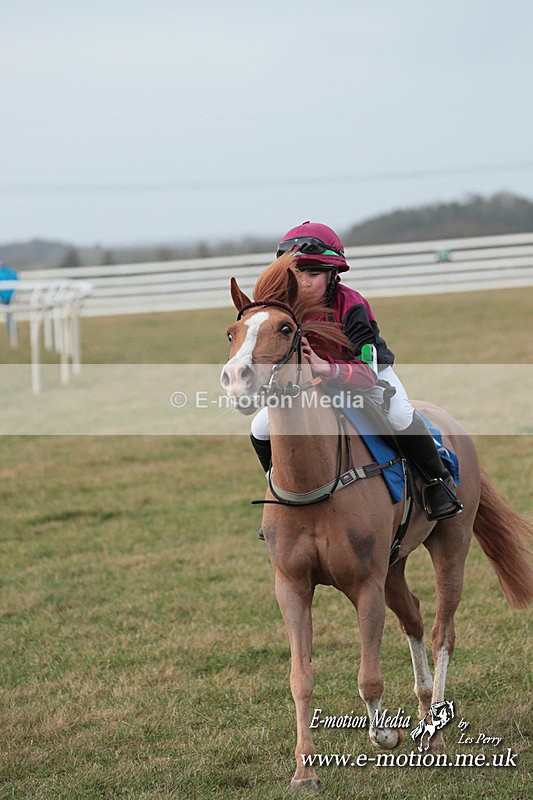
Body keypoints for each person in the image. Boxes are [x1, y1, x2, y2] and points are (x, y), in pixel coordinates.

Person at [250, 221, 463, 522]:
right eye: (297, 274)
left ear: (333, 274)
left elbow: (367, 374)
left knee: (400, 415)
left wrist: (326, 367)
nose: (304, 282)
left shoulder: (352, 305)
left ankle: (438, 480)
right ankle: (280, 494)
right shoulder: (285, 309)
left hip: (369, 374)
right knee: (260, 427)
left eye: (313, 274)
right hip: (315, 382)